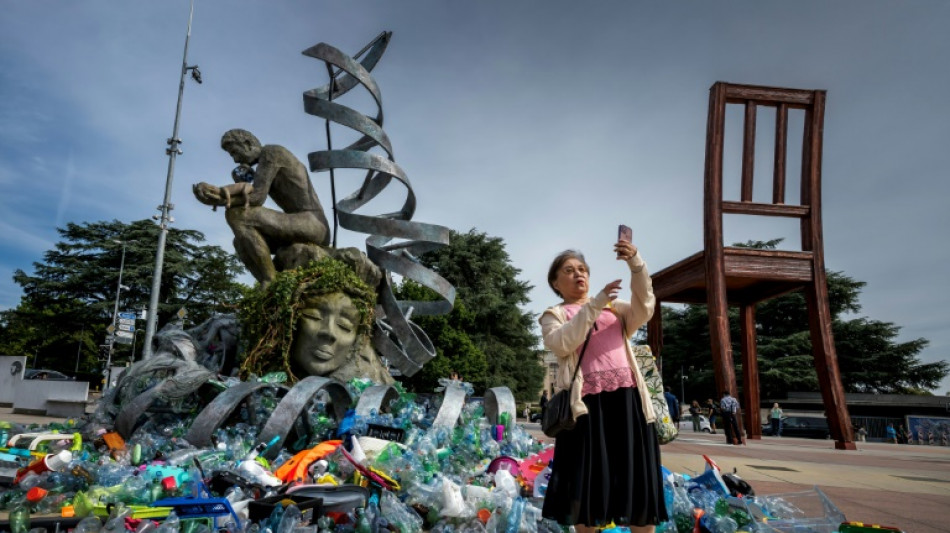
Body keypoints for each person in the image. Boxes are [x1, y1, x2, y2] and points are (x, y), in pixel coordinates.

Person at [539, 240, 667, 532]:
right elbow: (562, 343)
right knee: (586, 490)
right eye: (569, 271)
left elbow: (645, 305)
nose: (578, 274)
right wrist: (594, 304)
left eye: (582, 269)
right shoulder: (554, 315)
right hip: (586, 408)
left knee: (638, 485)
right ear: (555, 282)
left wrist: (635, 263)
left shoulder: (616, 309)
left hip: (629, 401)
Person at [193, 129, 331, 285]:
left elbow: (257, 198)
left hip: (312, 223)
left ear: (247, 144)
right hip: (300, 223)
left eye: (235, 153)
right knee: (240, 242)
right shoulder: (262, 164)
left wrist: (219, 197)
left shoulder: (272, 153)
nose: (236, 160)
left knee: (238, 215)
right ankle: (266, 282)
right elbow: (249, 191)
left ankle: (270, 280)